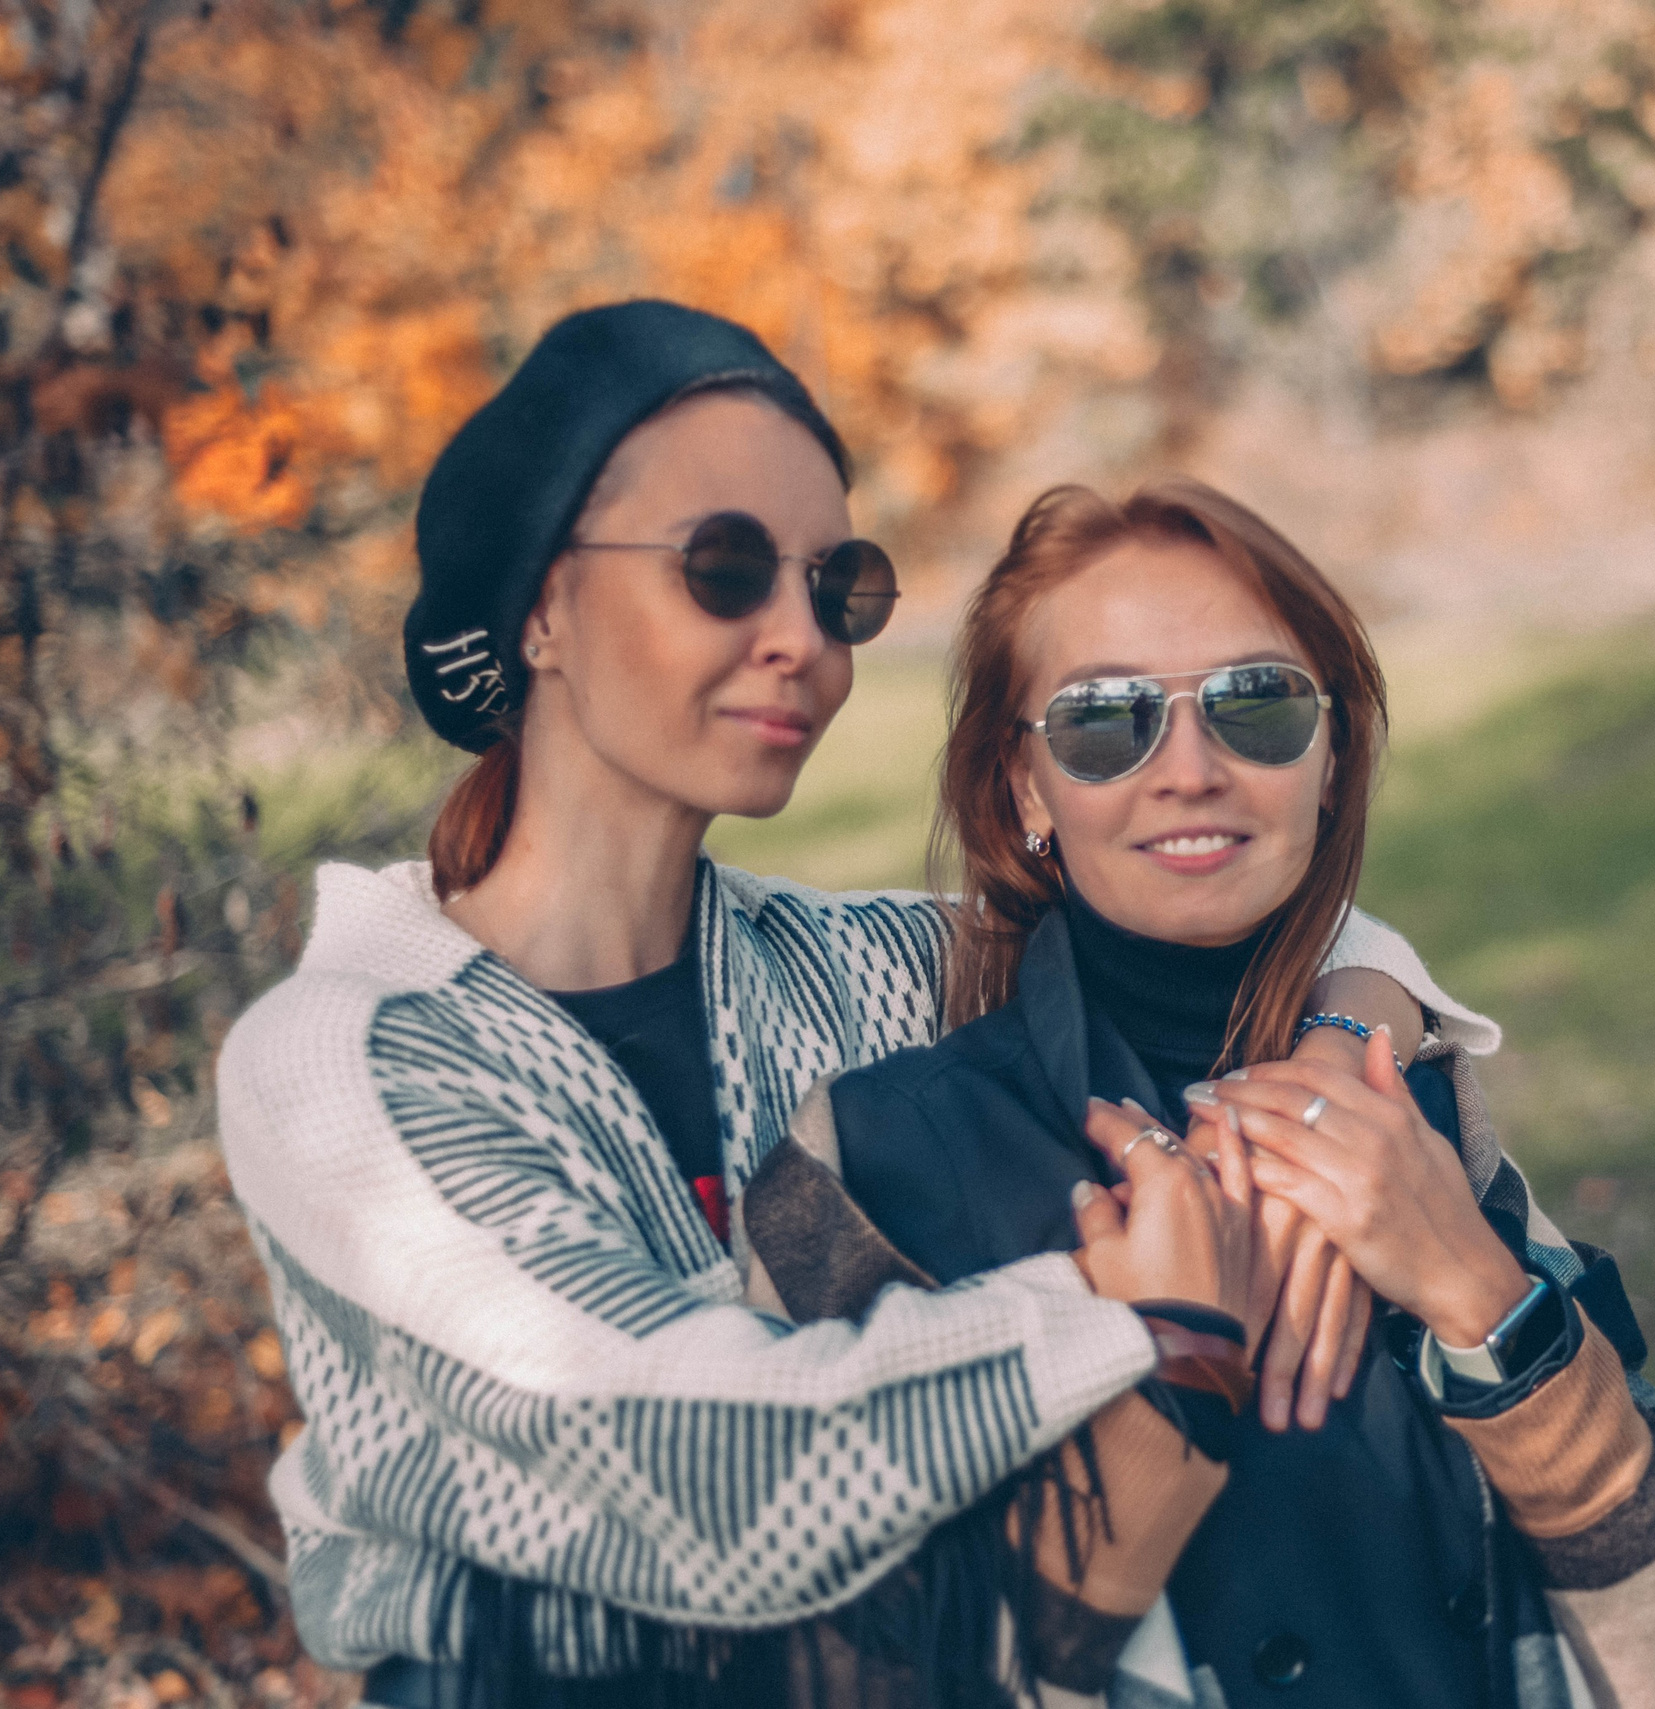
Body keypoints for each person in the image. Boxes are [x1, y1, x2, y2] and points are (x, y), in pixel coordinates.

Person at [215, 301, 1493, 1707]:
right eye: (722, 568)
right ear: (540, 608)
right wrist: (1125, 1311)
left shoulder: (858, 969)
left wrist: (1340, 1051)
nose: (800, 640)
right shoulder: (346, 1061)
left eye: (837, 588)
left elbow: (1194, 891)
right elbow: (702, 1474)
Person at [775, 480, 1655, 1709]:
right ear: (1026, 787)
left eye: (1256, 703)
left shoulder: (1408, 1105)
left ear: (1331, 758)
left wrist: (1479, 1292)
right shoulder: (873, 1155)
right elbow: (836, 1672)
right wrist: (1168, 1380)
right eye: (1104, 720)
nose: (1190, 770)